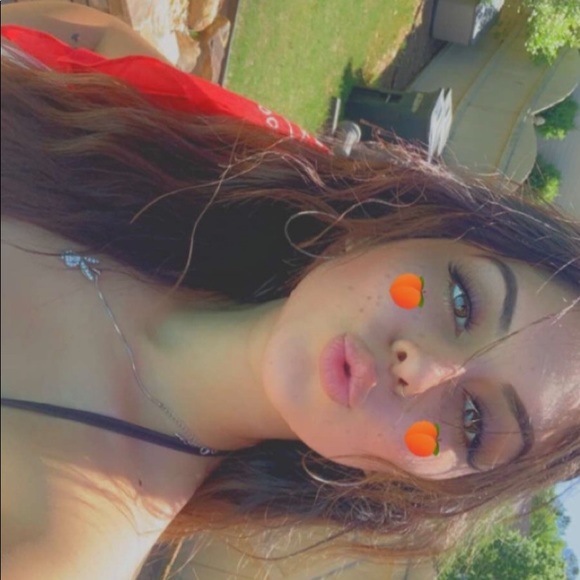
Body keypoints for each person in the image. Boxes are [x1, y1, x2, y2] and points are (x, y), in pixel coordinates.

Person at [1, 2, 579, 578]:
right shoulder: (197, 143)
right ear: (407, 227)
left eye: (473, 422)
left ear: (415, 488)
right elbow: (85, 36)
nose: (421, 368)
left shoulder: (57, 549)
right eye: (462, 302)